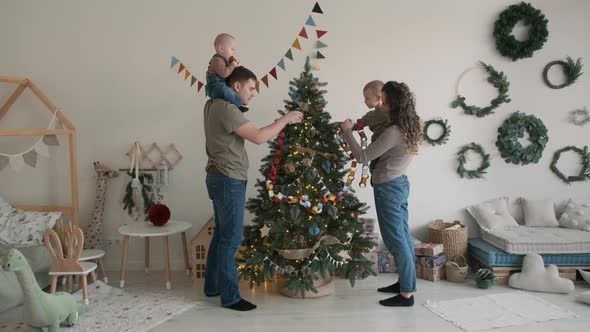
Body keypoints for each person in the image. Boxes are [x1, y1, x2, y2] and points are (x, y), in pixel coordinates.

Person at [203, 66, 303, 311]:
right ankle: (230, 298)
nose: (253, 94)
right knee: (231, 239)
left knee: (221, 235)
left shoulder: (213, 103)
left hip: (219, 177)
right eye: (250, 88)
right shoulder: (226, 108)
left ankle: (212, 286)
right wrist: (285, 119)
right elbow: (258, 136)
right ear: (236, 86)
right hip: (228, 180)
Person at [339, 81, 422, 307]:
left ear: (392, 103)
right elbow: (371, 121)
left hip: (388, 187)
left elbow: (363, 156)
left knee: (396, 239)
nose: (380, 103)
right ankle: (405, 283)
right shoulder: (413, 123)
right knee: (403, 236)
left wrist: (347, 132)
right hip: (400, 182)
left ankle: (406, 294)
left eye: (383, 99)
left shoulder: (395, 131)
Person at [206, 33, 248, 112]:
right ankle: (238, 105)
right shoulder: (216, 60)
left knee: (232, 89)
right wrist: (231, 66)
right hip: (214, 87)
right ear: (221, 49)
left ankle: (239, 102)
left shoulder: (224, 60)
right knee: (227, 91)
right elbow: (224, 74)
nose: (233, 52)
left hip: (220, 85)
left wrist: (234, 67)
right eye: (232, 49)